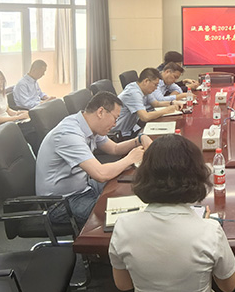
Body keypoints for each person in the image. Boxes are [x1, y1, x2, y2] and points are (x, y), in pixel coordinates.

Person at [109, 134, 235, 292]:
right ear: (197, 176)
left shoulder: (123, 226)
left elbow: (123, 285)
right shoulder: (209, 230)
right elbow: (228, 286)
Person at [36, 92, 151, 229]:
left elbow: (114, 148)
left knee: (130, 188)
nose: (115, 124)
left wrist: (139, 140)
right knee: (121, 214)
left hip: (83, 187)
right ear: (101, 112)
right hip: (61, 203)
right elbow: (100, 174)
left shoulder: (88, 124)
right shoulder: (69, 134)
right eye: (115, 118)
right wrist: (130, 158)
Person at [111, 67, 183, 140]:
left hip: (131, 129)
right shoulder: (133, 92)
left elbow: (156, 103)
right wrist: (166, 110)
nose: (156, 88)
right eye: (155, 85)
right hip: (119, 134)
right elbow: (145, 117)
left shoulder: (143, 89)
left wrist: (172, 103)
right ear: (146, 81)